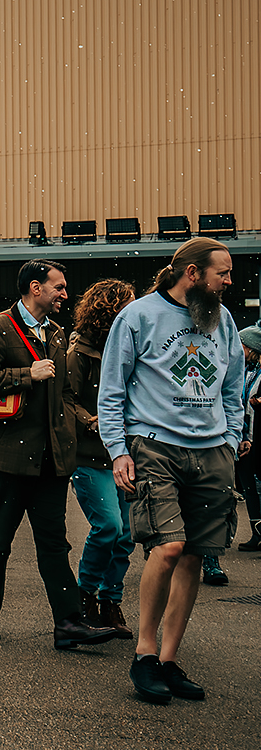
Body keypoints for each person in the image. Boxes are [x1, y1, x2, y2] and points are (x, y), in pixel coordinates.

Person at [99, 238, 246, 704]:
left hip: (212, 451)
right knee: (168, 548)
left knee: (194, 555)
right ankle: (144, 654)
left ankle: (168, 660)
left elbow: (233, 384)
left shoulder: (221, 321)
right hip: (154, 445)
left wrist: (230, 435)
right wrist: (119, 450)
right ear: (192, 273)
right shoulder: (139, 316)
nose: (229, 281)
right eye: (221, 272)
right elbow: (112, 390)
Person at [0, 259, 115, 650]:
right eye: (59, 287)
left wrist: (77, 426)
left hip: (52, 458)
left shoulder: (57, 333)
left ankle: (68, 622)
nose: (65, 294)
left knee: (54, 542)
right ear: (36, 288)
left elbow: (64, 391)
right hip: (8, 457)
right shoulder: (0, 327)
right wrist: (25, 374)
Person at [66, 280, 136, 639]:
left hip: (124, 453)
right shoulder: (80, 351)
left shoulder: (129, 346)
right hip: (90, 455)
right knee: (109, 526)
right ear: (109, 311)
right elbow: (66, 398)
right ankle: (85, 596)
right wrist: (91, 420)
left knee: (125, 536)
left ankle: (110, 601)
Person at [237, 325, 261, 555]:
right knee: (249, 488)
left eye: (242, 345)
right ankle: (257, 533)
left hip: (258, 436)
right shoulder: (245, 371)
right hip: (246, 436)